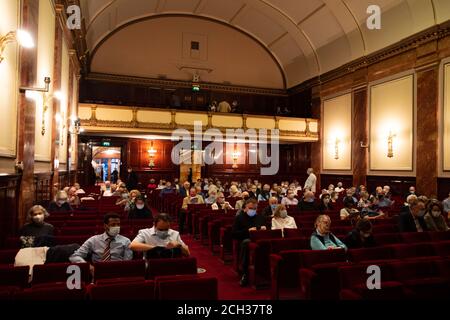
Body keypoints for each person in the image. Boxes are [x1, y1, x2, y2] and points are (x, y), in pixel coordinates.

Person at [232, 198, 266, 286]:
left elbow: (267, 230)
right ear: (246, 208)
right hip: (245, 240)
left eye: (254, 209)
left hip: (259, 240)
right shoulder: (239, 218)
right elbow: (234, 234)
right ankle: (245, 272)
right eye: (251, 208)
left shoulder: (260, 217)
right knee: (247, 243)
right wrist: (248, 231)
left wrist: (264, 229)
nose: (252, 210)